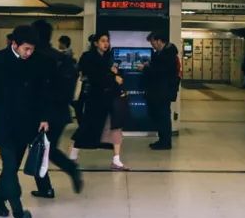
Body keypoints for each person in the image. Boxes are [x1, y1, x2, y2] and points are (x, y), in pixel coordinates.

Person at [0, 25, 50, 218]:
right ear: (14, 44)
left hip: (27, 125)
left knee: (11, 168)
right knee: (9, 166)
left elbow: (42, 92)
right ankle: (19, 213)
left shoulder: (37, 61)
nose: (29, 53)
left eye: (32, 49)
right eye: (26, 49)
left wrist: (44, 117)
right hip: (4, 124)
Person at [29, 19, 83, 199]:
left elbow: (35, 89)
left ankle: (50, 185)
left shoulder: (36, 58)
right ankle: (50, 183)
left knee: (40, 150)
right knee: (46, 149)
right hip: (61, 112)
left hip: (42, 113)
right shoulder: (61, 58)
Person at [70, 31, 130, 170]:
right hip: (94, 99)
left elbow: (113, 75)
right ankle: (72, 156)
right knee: (86, 128)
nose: (106, 44)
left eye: (107, 41)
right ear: (96, 43)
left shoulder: (108, 57)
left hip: (110, 98)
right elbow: (94, 76)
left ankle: (116, 159)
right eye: (103, 41)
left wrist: (116, 75)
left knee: (115, 127)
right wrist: (112, 77)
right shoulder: (88, 57)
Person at [144, 30, 180, 150]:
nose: (152, 45)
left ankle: (165, 142)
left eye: (153, 42)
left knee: (163, 116)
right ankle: (162, 140)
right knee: (160, 116)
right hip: (160, 91)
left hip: (163, 91)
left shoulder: (167, 55)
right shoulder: (162, 53)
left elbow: (160, 73)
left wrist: (145, 68)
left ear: (159, 41)